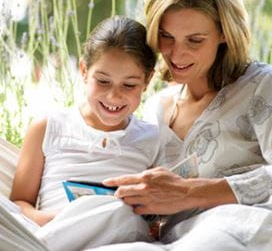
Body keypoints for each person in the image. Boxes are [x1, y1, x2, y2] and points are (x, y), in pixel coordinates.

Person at [98, 0, 272, 251]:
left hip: (241, 223)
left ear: (224, 33)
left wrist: (190, 193)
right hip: (170, 237)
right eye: (167, 37)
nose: (177, 54)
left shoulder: (262, 84)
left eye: (195, 40)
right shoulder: (157, 106)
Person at [5, 16, 161, 249]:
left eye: (129, 85)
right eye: (103, 81)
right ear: (84, 70)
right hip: (50, 234)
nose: (113, 96)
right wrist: (66, 221)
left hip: (118, 239)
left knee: (118, 211)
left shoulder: (152, 138)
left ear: (148, 80)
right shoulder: (48, 127)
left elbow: (156, 215)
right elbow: (20, 203)